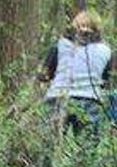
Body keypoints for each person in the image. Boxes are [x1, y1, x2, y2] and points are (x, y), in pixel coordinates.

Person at [39, 10, 112, 138]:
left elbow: (44, 75)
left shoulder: (60, 45)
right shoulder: (106, 51)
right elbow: (107, 81)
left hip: (58, 98)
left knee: (48, 148)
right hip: (90, 101)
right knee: (87, 150)